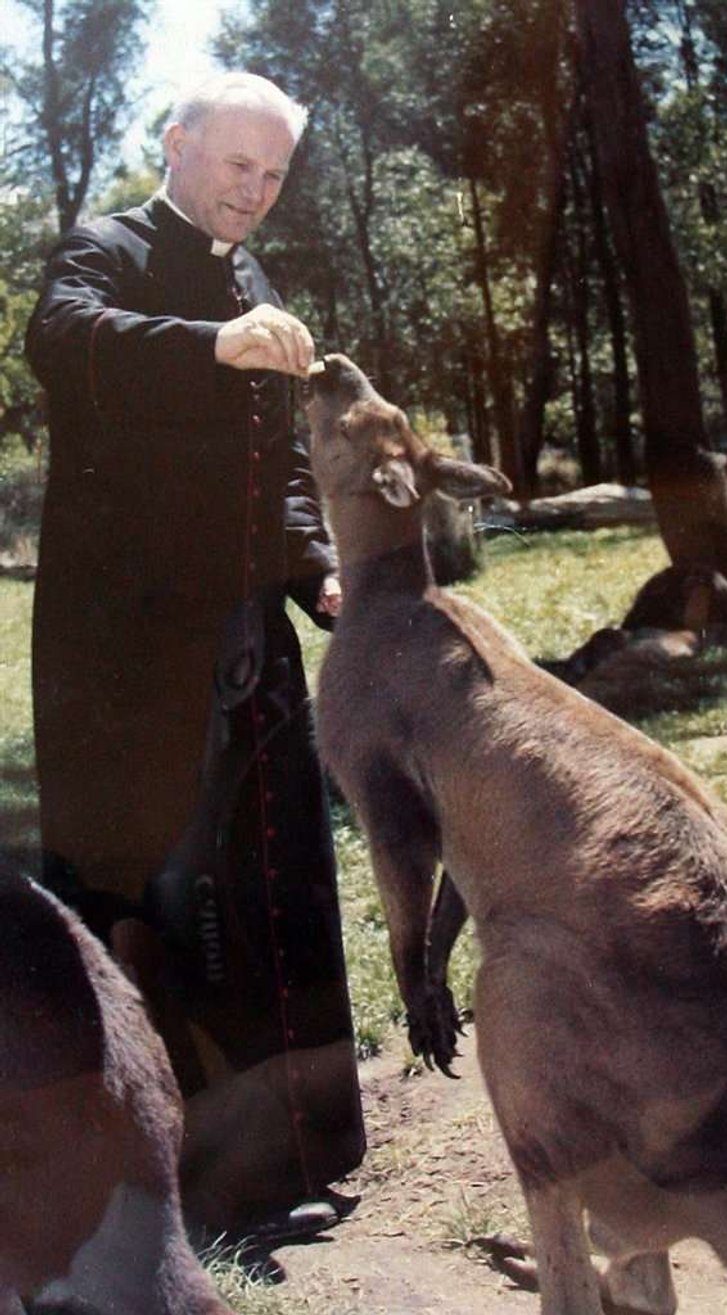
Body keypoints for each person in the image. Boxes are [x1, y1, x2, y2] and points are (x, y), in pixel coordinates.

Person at [25, 71, 365, 1237]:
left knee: (272, 891)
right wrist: (211, 343)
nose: (255, 193)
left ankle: (291, 1161)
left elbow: (272, 471)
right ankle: (177, 1195)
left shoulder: (254, 280)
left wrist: (317, 566)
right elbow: (61, 342)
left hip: (242, 636)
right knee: (166, 908)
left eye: (272, 177)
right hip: (123, 655)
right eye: (237, 166)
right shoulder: (103, 250)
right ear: (176, 146)